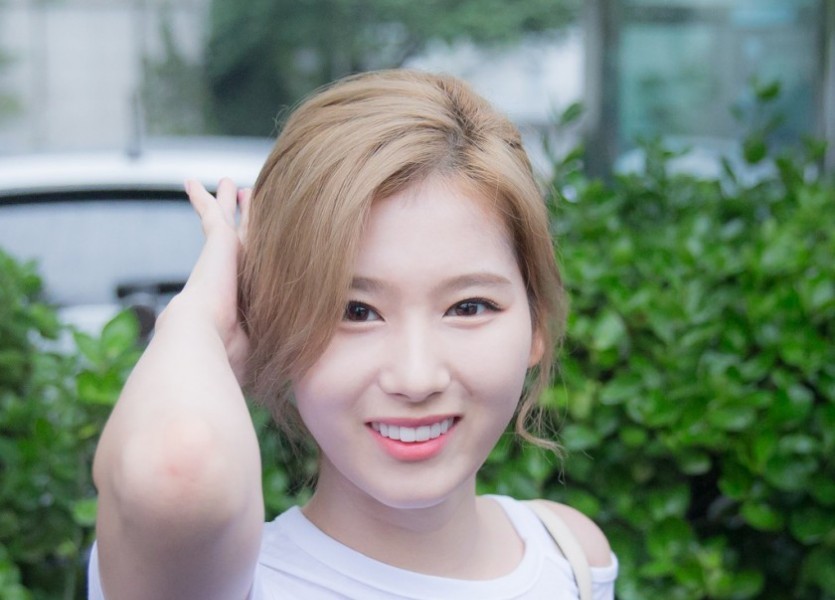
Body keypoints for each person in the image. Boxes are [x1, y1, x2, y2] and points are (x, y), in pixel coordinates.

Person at [88, 69, 618, 600]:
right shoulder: (214, 580)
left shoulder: (568, 553)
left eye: (469, 306)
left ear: (536, 321)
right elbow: (178, 469)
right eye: (356, 311)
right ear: (272, 323)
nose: (416, 378)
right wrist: (203, 318)